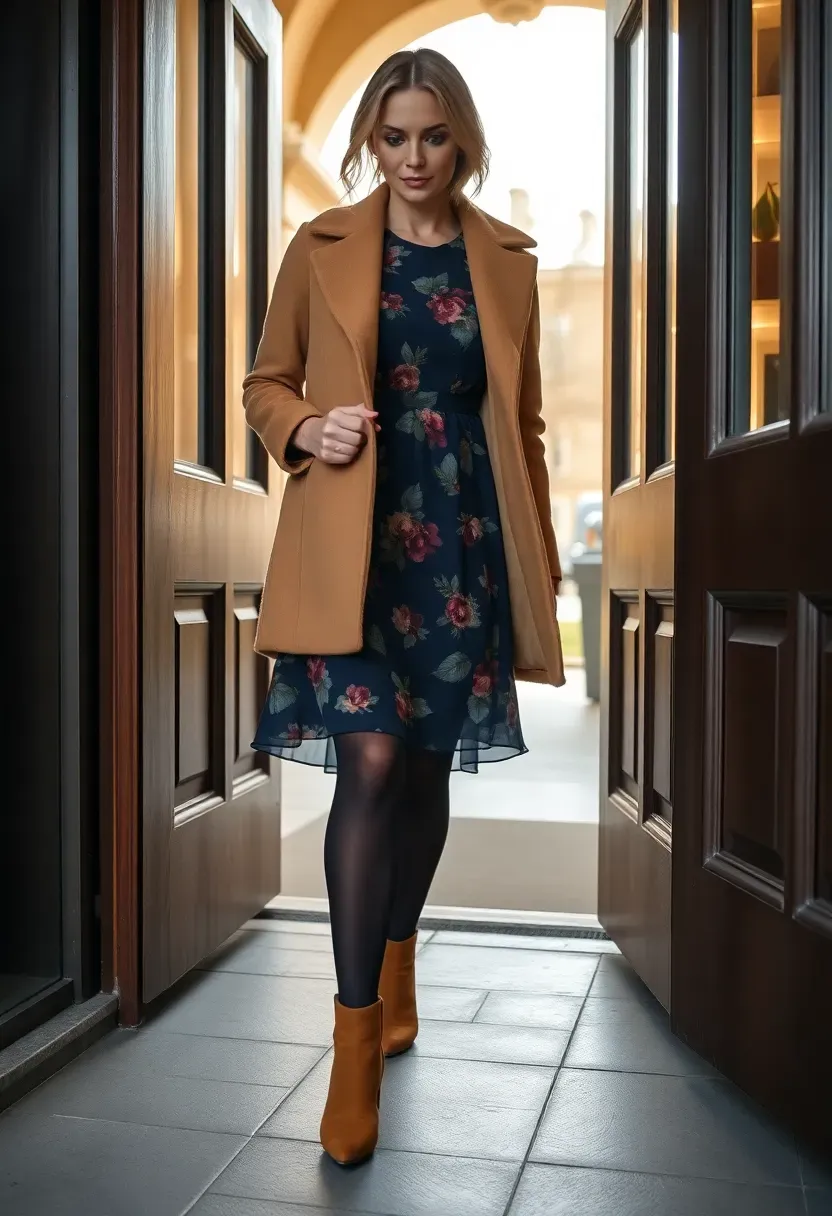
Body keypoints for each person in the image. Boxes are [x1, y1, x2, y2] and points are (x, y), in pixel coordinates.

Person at [243, 47, 564, 1167]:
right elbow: (263, 380)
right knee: (370, 763)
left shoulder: (507, 264)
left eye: (432, 136)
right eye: (393, 138)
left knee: (424, 765)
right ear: (369, 144)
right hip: (352, 540)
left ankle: (396, 962)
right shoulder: (322, 245)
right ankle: (349, 1044)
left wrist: (539, 567)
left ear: (460, 138)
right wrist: (302, 429)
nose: (413, 158)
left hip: (460, 541)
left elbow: (519, 426)